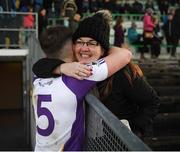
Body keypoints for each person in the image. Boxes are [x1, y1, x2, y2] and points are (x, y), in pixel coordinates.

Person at [33, 10, 160, 141]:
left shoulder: (122, 72)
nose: (84, 48)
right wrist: (61, 67)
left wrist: (131, 130)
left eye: (92, 43)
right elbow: (39, 66)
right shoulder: (72, 68)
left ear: (103, 50)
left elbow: (152, 101)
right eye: (80, 42)